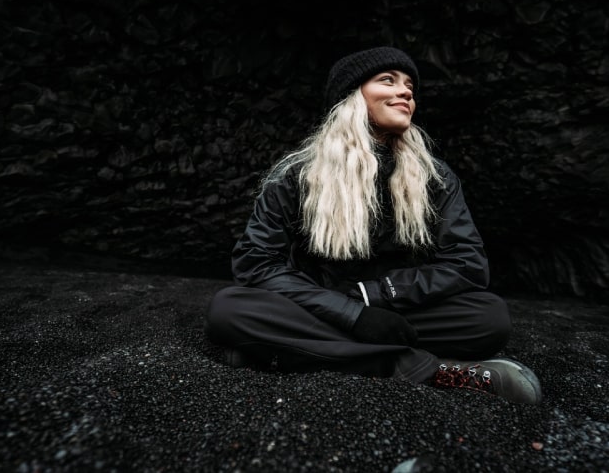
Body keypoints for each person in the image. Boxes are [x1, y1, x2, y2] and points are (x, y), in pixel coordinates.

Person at [205, 46, 542, 404]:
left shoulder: (436, 178)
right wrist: (352, 315)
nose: (406, 92)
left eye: (410, 85)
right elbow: (256, 263)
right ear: (351, 97)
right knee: (230, 309)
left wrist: (378, 296)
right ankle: (429, 370)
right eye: (388, 80)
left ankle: (281, 352)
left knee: (488, 318)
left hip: (399, 311)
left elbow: (467, 263)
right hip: (320, 306)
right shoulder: (295, 176)